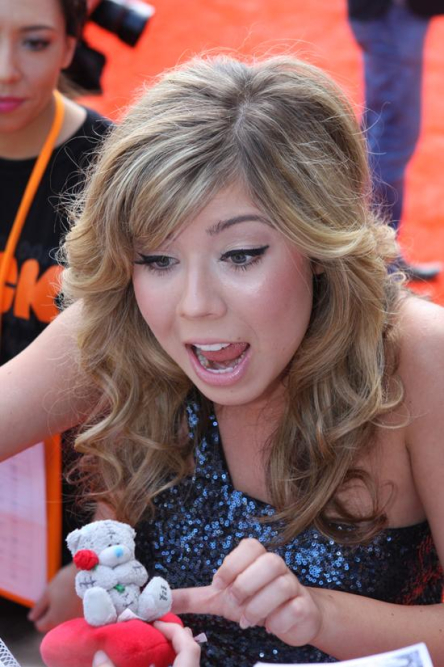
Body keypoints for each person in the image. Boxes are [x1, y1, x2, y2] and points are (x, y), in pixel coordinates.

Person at [0, 54, 443, 665]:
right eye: (158, 260)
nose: (195, 306)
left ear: (319, 240)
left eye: (240, 255)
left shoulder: (418, 354)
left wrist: (320, 616)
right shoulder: (121, 319)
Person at [0, 0, 111, 635]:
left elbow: (144, 377)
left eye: (35, 43)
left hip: (69, 520)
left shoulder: (111, 169)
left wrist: (95, 557)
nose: (6, 70)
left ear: (70, 46)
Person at [348, 0, 443, 281]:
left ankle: (378, 257)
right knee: (390, 137)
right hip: (392, 14)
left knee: (381, 129)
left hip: (388, 15)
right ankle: (379, 266)